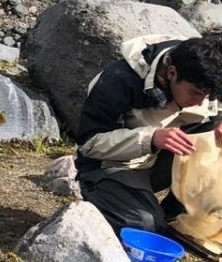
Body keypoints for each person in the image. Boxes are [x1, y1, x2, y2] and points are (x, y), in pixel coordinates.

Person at [76, 33, 222, 234]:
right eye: (195, 93)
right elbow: (89, 144)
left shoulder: (206, 71)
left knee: (215, 139)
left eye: (209, 96)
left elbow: (212, 106)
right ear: (172, 73)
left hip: (160, 159)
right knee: (147, 225)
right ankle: (103, 196)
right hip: (112, 165)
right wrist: (151, 138)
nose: (201, 101)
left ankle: (176, 211)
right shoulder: (120, 81)